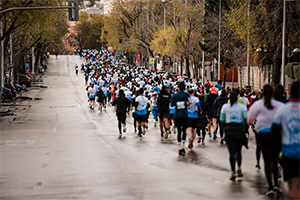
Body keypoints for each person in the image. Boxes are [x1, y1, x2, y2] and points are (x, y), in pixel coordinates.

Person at [247, 85, 284, 196]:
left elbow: (249, 119)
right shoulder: (279, 105)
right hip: (276, 134)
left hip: (262, 134)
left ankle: (270, 186)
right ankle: (277, 183)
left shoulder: (257, 105)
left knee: (267, 161)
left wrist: (255, 124)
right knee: (275, 158)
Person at [271, 81, 300, 199]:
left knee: (292, 185)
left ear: (290, 93)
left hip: (289, 152)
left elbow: (274, 132)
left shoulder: (283, 110)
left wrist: (276, 152)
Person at [220, 92, 248, 181]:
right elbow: (246, 118)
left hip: (229, 130)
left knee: (231, 152)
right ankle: (239, 167)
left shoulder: (225, 107)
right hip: (239, 130)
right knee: (238, 151)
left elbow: (222, 119)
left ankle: (233, 171)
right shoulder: (242, 107)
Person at [171, 82, 191, 156]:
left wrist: (178, 103)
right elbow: (190, 103)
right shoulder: (187, 95)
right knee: (184, 130)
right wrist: (184, 104)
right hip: (184, 114)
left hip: (177, 115)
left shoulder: (175, 95)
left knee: (179, 130)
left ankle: (179, 146)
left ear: (178, 87)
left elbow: (172, 104)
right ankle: (183, 144)